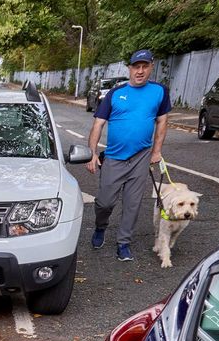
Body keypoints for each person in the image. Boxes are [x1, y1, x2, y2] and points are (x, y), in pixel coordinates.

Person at [86, 49, 171, 261]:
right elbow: (98, 124)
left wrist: (157, 151)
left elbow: (162, 121)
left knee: (132, 204)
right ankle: (100, 227)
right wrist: (92, 153)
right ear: (130, 68)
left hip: (141, 157)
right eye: (136, 66)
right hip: (114, 157)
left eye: (144, 66)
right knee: (105, 202)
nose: (140, 71)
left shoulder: (159, 91)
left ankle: (124, 243)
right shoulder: (115, 94)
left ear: (151, 67)